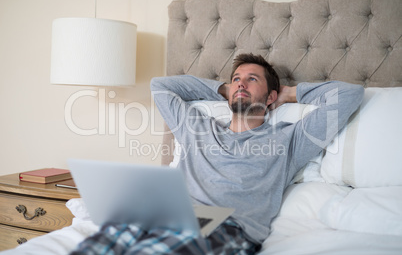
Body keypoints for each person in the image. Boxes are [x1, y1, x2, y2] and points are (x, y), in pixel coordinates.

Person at [71, 53, 364, 254]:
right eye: (237, 78)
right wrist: (223, 89)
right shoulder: (197, 127)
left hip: (228, 230)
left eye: (252, 80)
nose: (241, 83)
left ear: (271, 96)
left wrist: (289, 93)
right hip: (166, 217)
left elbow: (349, 94)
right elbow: (160, 86)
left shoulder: (289, 138)